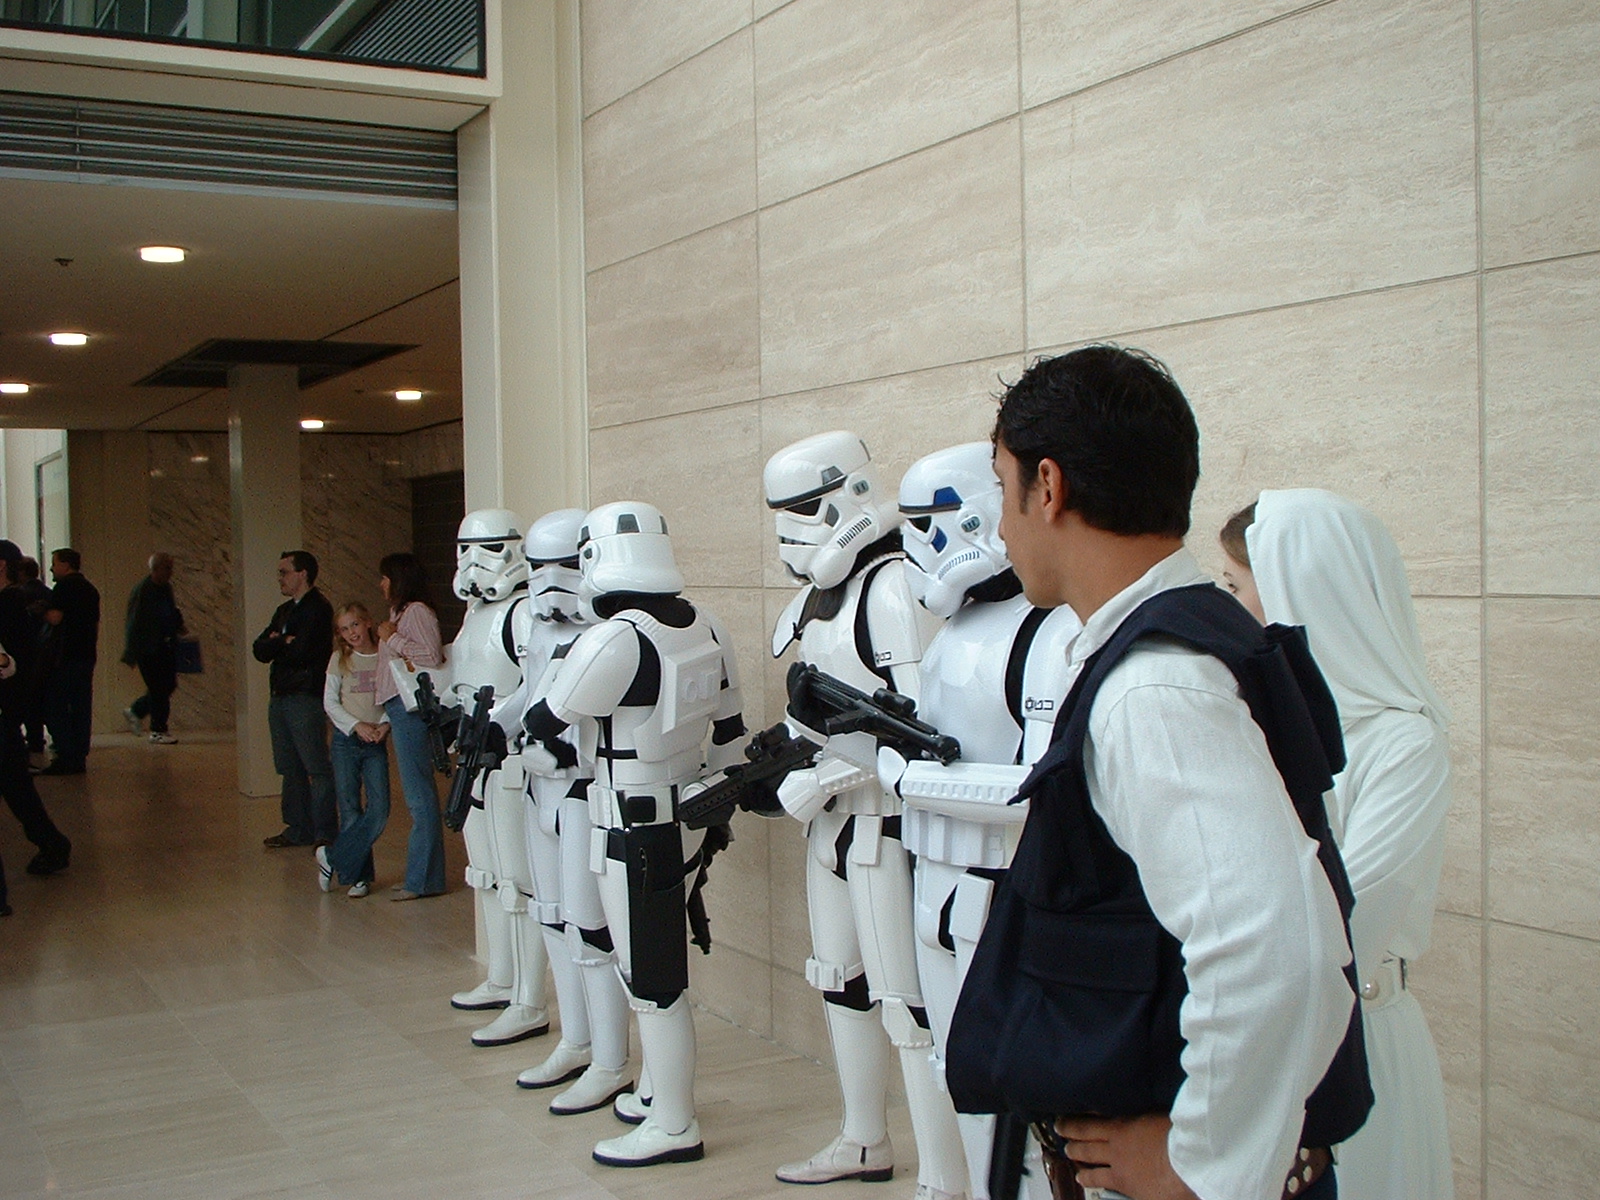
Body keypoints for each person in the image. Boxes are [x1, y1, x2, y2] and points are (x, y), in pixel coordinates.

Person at [945, 346, 1368, 1200]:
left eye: (1001, 488)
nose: (1000, 529)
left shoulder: (1153, 687)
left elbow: (1276, 948)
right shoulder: (1188, 636)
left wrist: (1200, 1159)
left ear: (1048, 487)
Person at [1223, 489, 1454, 1199]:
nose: (1229, 611)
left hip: (1360, 1044)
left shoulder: (1406, 745)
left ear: (1302, 592)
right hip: (1263, 1040)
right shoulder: (1261, 720)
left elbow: (1347, 917)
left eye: (1237, 588)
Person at [762, 431, 967, 1200]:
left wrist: (823, 777)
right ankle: (863, 1137)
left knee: (907, 1007)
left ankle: (944, 1176)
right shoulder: (822, 599)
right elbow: (815, 715)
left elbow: (922, 729)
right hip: (830, 825)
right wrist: (785, 764)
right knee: (838, 980)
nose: (790, 532)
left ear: (847, 495)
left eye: (802, 511)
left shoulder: (891, 588)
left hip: (884, 822)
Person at [879, 443, 1081, 1200]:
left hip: (1000, 890)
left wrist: (912, 779)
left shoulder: (1049, 633)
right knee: (954, 1067)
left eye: (927, 524)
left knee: (1010, 1084)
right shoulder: (954, 635)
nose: (916, 546)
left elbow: (1037, 785)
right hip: (935, 879)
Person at [520, 500, 747, 1167]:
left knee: (652, 980)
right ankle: (655, 1092)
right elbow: (730, 733)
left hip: (633, 824)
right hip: (684, 815)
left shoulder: (615, 638)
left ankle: (674, 1123)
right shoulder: (706, 622)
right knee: (654, 967)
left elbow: (543, 720)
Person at [498, 509, 634, 1115]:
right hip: (539, 787)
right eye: (538, 567)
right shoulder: (533, 626)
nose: (550, 582)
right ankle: (576, 1041)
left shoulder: (611, 631)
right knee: (550, 916)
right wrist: (494, 724)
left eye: (564, 566)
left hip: (582, 790)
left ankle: (609, 1060)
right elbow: (528, 694)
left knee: (589, 930)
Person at [252, 550, 338, 848]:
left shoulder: (318, 609)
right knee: (290, 766)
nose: (280, 578)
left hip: (304, 696)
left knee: (315, 765)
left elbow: (303, 652)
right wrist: (281, 642)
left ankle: (325, 830)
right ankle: (298, 827)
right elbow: (259, 649)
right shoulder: (284, 611)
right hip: (281, 695)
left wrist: (277, 644)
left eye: (284, 572)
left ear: (302, 574)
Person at [374, 551, 447, 900]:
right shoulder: (399, 613)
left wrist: (392, 639)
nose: (381, 584)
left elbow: (431, 655)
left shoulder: (416, 611)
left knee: (419, 795)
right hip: (398, 707)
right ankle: (424, 878)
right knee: (417, 794)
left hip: (411, 710)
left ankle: (422, 880)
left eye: (385, 578)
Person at [0, 542, 70, 879]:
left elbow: (15, 660)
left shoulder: (8, 603)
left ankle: (53, 844)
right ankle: (52, 844)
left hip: (5, 708)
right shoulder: (15, 602)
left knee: (17, 787)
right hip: (8, 710)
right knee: (17, 787)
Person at [316, 603, 389, 899]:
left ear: (368, 623)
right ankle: (359, 876)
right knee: (350, 809)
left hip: (376, 742)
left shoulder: (385, 655)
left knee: (379, 808)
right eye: (344, 629)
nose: (351, 633)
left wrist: (385, 724)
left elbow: (396, 695)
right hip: (346, 741)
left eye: (355, 625)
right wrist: (356, 725)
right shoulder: (340, 659)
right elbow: (330, 702)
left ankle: (331, 858)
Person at [39, 548, 100, 775]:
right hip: (86, 655)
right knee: (81, 706)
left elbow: (56, 618)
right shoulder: (91, 590)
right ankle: (79, 755)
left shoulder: (64, 587)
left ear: (66, 565)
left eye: (55, 563)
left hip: (64, 657)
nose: (52, 568)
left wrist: (41, 612)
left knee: (56, 706)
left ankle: (66, 754)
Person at [121, 552, 185, 744]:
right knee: (158, 688)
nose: (170, 572)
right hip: (148, 648)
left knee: (168, 685)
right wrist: (132, 652)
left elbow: (170, 612)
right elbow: (134, 622)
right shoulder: (143, 591)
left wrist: (178, 626)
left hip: (164, 645)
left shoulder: (166, 588)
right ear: (155, 569)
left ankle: (137, 710)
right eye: (167, 568)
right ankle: (158, 729)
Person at [11, 556, 50, 760]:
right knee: (43, 698)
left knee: (27, 700)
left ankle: (32, 740)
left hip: (24, 655)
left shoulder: (18, 596)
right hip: (45, 652)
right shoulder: (48, 593)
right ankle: (42, 738)